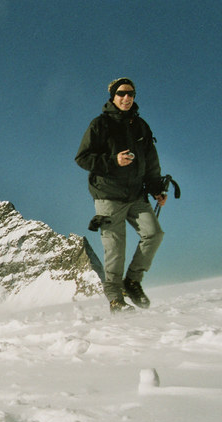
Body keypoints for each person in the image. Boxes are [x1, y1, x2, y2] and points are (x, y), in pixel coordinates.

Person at [76, 77, 167, 313]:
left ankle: (132, 281)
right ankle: (116, 299)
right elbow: (83, 157)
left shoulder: (141, 126)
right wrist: (113, 161)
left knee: (154, 234)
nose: (127, 98)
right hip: (108, 196)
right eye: (122, 94)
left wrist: (157, 189)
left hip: (136, 195)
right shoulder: (100, 124)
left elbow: (151, 162)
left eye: (131, 94)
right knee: (115, 250)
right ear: (113, 96)